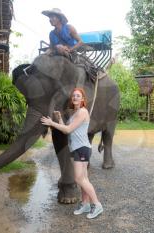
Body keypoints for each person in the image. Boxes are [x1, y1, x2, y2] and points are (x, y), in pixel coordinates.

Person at [40, 88, 103, 219]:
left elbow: (68, 130)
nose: (75, 97)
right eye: (73, 95)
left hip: (82, 148)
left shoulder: (83, 112)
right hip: (78, 148)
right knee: (84, 178)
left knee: (79, 178)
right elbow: (67, 129)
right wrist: (58, 118)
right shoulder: (76, 113)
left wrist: (51, 123)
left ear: (83, 99)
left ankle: (97, 205)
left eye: (78, 96)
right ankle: (85, 204)